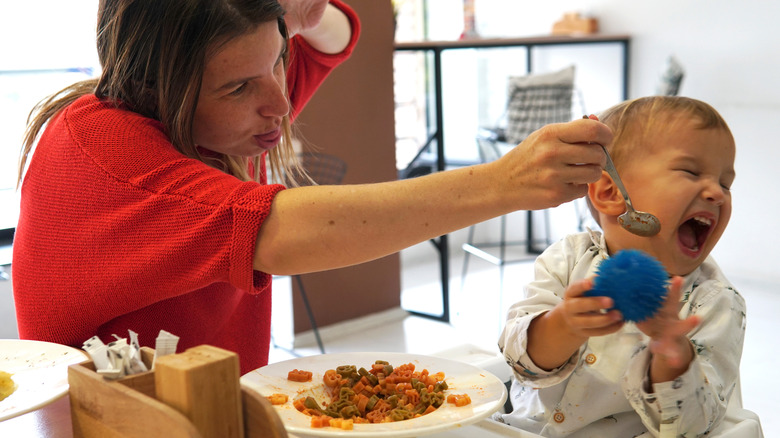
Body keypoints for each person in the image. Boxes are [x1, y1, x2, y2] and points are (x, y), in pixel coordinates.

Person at [12, 0, 611, 375]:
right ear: (161, 85)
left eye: (277, 61)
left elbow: (338, 34)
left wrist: (299, 15)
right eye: (240, 86)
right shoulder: (103, 150)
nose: (279, 103)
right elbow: (275, 231)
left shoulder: (221, 114)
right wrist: (503, 182)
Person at [494, 96, 745, 437]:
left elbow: (695, 427)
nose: (717, 193)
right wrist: (564, 325)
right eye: (690, 171)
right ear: (611, 192)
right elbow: (519, 362)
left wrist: (672, 356)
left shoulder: (714, 302)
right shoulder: (566, 260)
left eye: (725, 183)